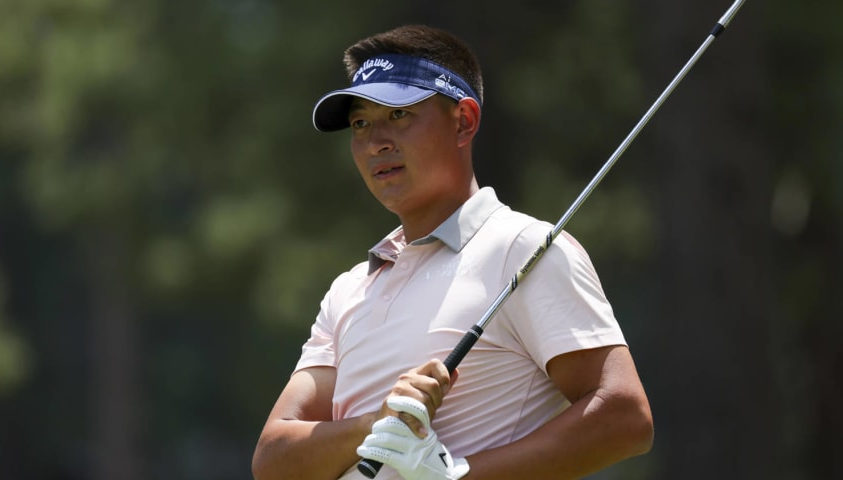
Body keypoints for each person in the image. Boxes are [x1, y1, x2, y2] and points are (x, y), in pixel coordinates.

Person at [251, 24, 653, 480]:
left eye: (399, 115)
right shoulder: (350, 289)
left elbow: (624, 417)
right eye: (361, 123)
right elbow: (273, 460)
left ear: (463, 121)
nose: (375, 141)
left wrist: (457, 476)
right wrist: (374, 425)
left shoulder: (523, 249)